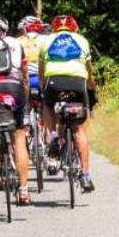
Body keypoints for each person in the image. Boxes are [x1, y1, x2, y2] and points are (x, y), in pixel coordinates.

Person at [0, 14, 33, 205]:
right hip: (15, 87)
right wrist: (25, 102)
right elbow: (25, 75)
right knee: (19, 139)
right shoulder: (15, 43)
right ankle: (24, 190)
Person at [40, 13, 97, 193]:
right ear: (74, 27)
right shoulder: (82, 40)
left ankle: (53, 136)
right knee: (80, 129)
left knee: (47, 105)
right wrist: (91, 87)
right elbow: (88, 70)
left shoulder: (47, 40)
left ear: (55, 27)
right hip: (77, 83)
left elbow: (41, 70)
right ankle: (86, 175)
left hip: (54, 81)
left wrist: (44, 87)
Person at [17, 15, 50, 169]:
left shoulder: (18, 42)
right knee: (47, 111)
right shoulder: (46, 40)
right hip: (42, 79)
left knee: (24, 111)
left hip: (25, 81)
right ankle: (50, 146)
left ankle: (27, 129)